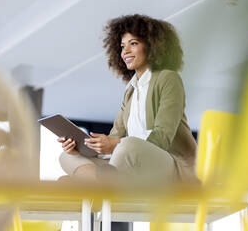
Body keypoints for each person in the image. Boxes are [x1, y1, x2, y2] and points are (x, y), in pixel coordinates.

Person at [58, 14, 197, 183]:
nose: (125, 51)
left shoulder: (168, 78)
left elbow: (162, 137)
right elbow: (115, 136)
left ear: (154, 46)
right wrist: (85, 147)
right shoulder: (131, 91)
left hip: (172, 167)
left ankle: (91, 185)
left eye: (133, 43)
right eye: (122, 46)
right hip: (130, 163)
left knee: (128, 145)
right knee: (67, 157)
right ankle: (100, 184)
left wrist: (116, 144)